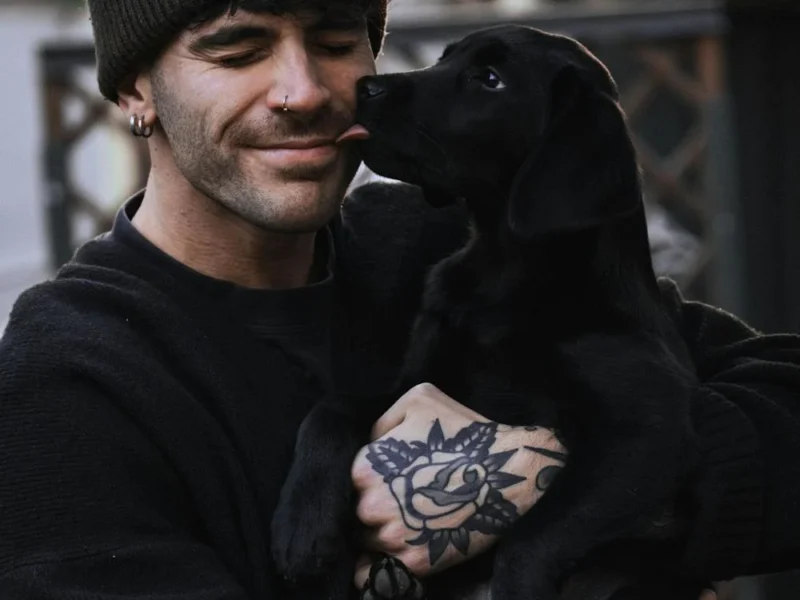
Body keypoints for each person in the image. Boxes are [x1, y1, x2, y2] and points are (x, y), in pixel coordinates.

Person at [0, 0, 798, 599]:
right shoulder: (67, 383)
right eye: (239, 51)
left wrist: (531, 472)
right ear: (134, 89)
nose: (304, 91)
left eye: (334, 42)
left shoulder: (449, 245)